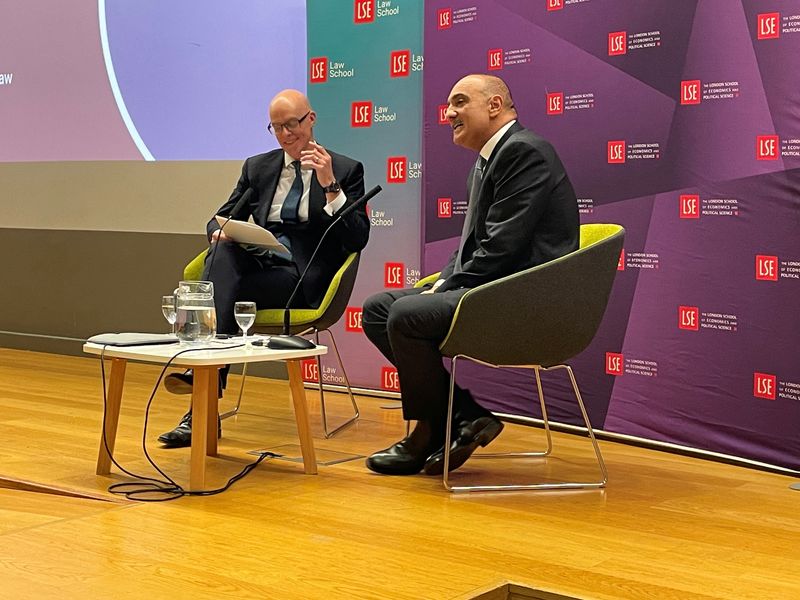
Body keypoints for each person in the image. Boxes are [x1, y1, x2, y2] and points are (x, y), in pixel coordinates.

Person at [362, 74, 579, 475]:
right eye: (448, 105)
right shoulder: (490, 160)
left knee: (406, 315)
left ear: (495, 105)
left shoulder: (524, 152)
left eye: (459, 102)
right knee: (379, 308)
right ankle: (460, 416)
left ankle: (432, 429)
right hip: (494, 289)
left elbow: (501, 249)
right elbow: (470, 250)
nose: (448, 114)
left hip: (523, 299)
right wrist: (442, 283)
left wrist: (442, 289)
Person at [158, 89, 369, 447]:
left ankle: (202, 392)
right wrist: (219, 234)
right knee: (222, 257)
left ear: (311, 119)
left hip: (300, 279)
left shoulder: (344, 169)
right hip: (259, 267)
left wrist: (330, 186)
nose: (287, 134)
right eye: (277, 127)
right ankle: (205, 392)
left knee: (219, 289)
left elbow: (357, 239)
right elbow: (220, 217)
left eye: (293, 124)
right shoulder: (258, 168)